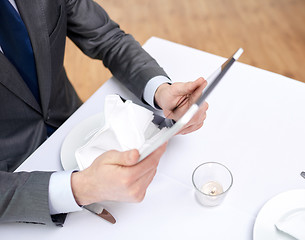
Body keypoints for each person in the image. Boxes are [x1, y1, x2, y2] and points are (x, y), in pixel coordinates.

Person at [0, 0, 208, 226]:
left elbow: (108, 39)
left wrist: (161, 92)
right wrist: (79, 189)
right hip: (15, 179)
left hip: (76, 124)